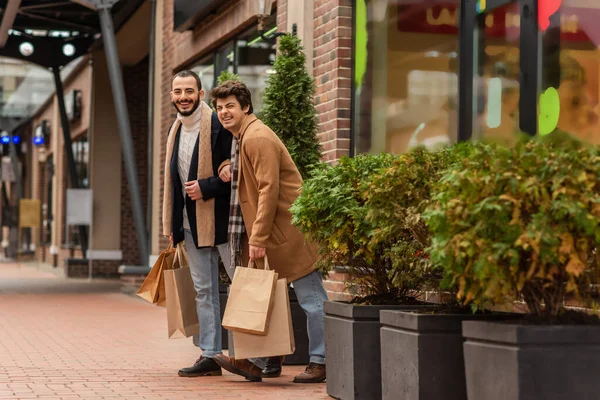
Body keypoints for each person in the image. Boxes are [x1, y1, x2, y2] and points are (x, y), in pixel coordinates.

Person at [210, 80, 328, 384]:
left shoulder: (256, 137)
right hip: (276, 232)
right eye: (220, 107)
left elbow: (268, 189)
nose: (224, 112)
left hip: (288, 232)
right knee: (270, 300)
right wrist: (226, 164)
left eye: (230, 106)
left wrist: (259, 237)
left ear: (246, 107)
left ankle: (321, 360)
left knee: (312, 299)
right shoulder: (244, 136)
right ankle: (265, 360)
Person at [162, 70, 234, 378]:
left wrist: (206, 187)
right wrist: (172, 223)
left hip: (225, 221)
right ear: (172, 96)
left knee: (243, 285)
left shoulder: (218, 124)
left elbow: (236, 173)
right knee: (204, 290)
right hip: (191, 223)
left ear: (201, 94)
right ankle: (210, 354)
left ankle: (261, 355)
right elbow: (174, 183)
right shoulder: (175, 131)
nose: (183, 97)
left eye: (189, 91)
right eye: (178, 92)